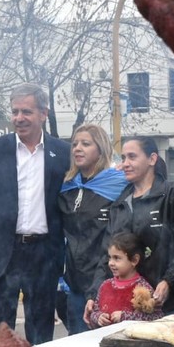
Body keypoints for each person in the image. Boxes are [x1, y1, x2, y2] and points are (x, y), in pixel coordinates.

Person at [0, 83, 70, 345]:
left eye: (26, 112)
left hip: (44, 256)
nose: (19, 118)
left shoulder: (62, 153)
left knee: (41, 336)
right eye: (14, 112)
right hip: (1, 255)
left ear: (43, 114)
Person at [86, 136, 174, 322]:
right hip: (130, 307)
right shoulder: (119, 205)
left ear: (152, 159)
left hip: (173, 304)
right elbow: (106, 255)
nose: (125, 163)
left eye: (132, 157)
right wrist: (93, 296)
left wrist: (169, 281)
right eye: (123, 158)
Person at [58, 124, 126, 334]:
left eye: (86, 144)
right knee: (77, 345)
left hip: (109, 281)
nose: (77, 148)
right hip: (75, 285)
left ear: (101, 149)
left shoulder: (119, 184)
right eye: (75, 144)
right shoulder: (67, 186)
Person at [90, 232, 163, 326]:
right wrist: (98, 317)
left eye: (117, 258)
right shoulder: (105, 285)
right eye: (110, 258)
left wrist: (125, 317)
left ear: (134, 260)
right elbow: (94, 312)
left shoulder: (143, 288)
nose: (111, 263)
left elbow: (157, 317)